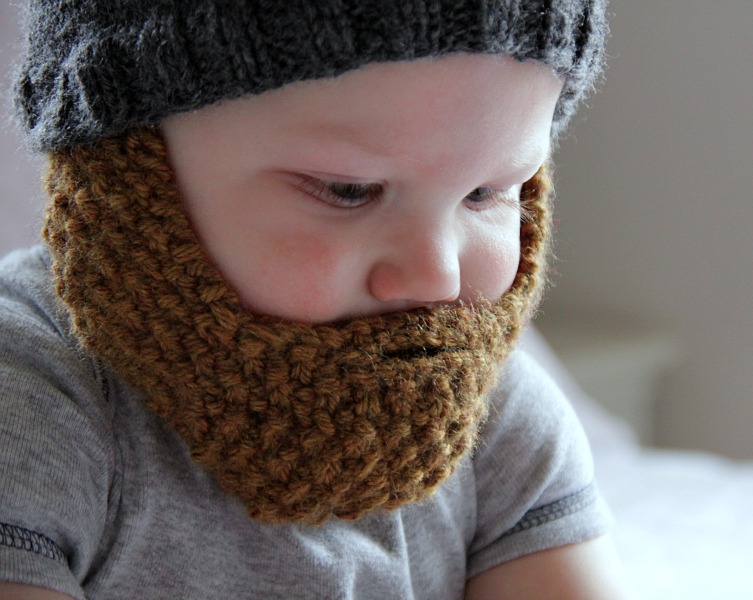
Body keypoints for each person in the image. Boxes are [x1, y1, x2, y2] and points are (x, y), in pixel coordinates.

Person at [0, 1, 632, 598]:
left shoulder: (497, 421)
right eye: (349, 191)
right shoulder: (36, 399)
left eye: (485, 194)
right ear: (130, 171)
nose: (436, 277)